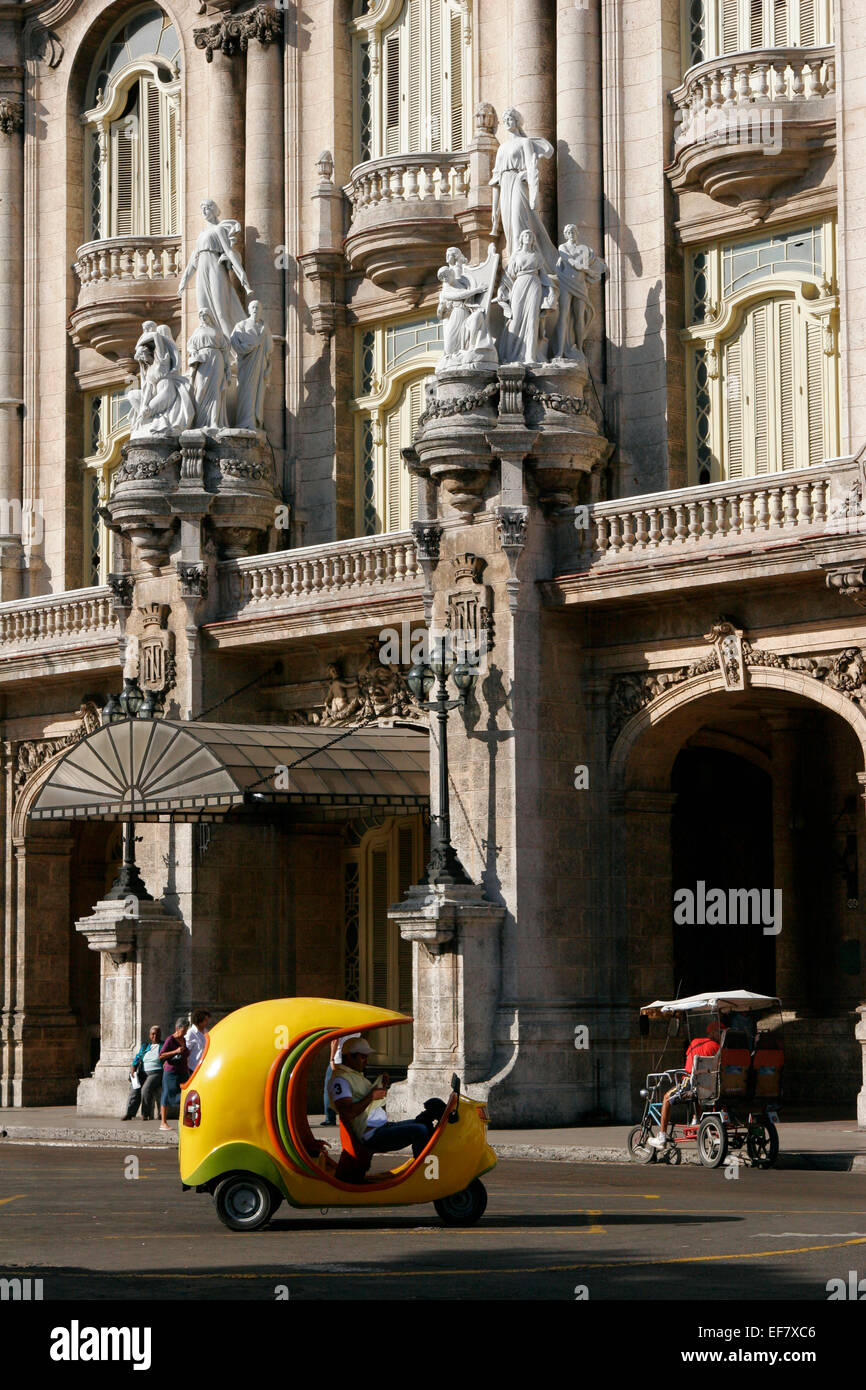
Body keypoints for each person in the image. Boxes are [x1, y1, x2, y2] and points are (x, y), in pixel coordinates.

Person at [328, 1036, 430, 1160]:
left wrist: (381, 1086)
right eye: (362, 1057)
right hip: (371, 1134)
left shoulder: (355, 1075)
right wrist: (371, 1096)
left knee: (425, 1122)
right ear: (349, 1056)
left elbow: (364, 1096)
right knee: (420, 1131)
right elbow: (347, 1113)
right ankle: (421, 1170)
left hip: (381, 1126)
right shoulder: (340, 1080)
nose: (366, 1062)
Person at [179, 199, 251, 341]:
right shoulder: (201, 234)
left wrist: (241, 272)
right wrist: (183, 282)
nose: (204, 211)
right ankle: (213, 344)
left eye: (207, 208)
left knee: (221, 311)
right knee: (204, 310)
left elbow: (229, 251)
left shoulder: (218, 229)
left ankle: (233, 347)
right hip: (202, 269)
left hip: (215, 268)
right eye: (202, 209)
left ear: (214, 210)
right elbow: (192, 261)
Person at [648, 1023, 721, 1150]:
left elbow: (688, 1066)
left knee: (666, 1098)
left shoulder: (695, 1043)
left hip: (691, 1084)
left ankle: (662, 1137)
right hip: (709, 1085)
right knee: (699, 1092)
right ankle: (695, 1119)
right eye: (719, 1032)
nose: (721, 1035)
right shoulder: (718, 1047)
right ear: (712, 1033)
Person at [122, 1025, 162, 1121]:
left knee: (145, 1089)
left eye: (157, 1034)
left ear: (160, 1035)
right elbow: (137, 1058)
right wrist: (133, 1068)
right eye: (153, 1034)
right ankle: (129, 1113)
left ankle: (145, 1114)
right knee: (134, 1089)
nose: (155, 1036)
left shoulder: (163, 1045)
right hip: (142, 1072)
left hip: (156, 1072)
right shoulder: (145, 1046)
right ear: (149, 1035)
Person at [159, 1018, 190, 1131]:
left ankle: (184, 1120)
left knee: (185, 1095)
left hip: (182, 1071)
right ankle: (163, 1122)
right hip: (171, 1072)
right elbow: (161, 1055)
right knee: (166, 1095)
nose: (185, 1032)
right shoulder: (170, 1040)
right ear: (177, 1028)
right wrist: (175, 1051)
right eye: (183, 1030)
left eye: (186, 1030)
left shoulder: (184, 1039)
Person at [322, 1037, 340, 1126]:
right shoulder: (356, 1028)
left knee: (328, 1089)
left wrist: (331, 1059)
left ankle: (330, 1118)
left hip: (337, 1059)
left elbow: (335, 1040)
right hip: (349, 1059)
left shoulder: (339, 1026)